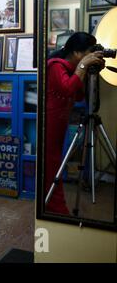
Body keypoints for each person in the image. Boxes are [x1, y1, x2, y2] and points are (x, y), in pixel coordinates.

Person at [45, 32, 105, 215]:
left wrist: (87, 71)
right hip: (49, 124)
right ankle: (56, 209)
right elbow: (68, 88)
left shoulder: (72, 68)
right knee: (51, 166)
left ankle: (53, 207)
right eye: (90, 52)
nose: (92, 55)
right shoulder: (55, 66)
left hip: (59, 124)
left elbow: (78, 94)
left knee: (55, 164)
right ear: (78, 53)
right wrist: (84, 65)